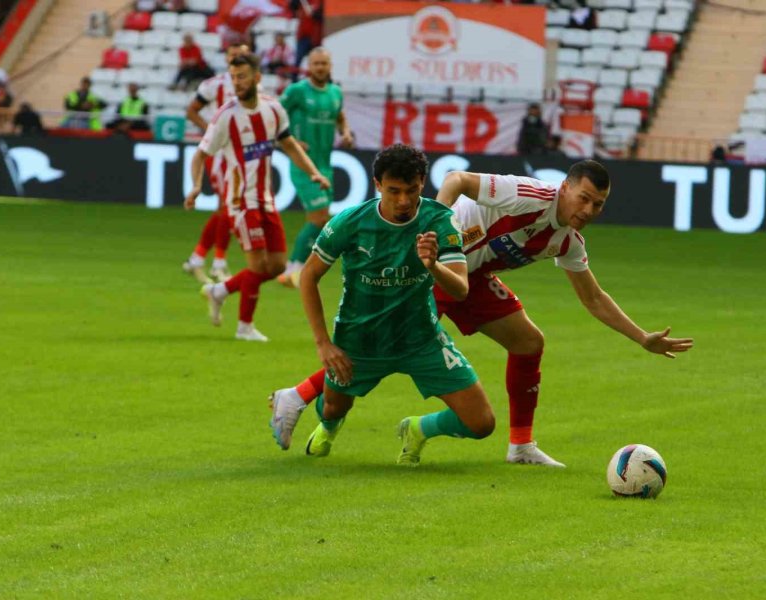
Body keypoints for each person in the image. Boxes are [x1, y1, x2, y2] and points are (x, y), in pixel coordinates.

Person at [270, 161, 694, 466]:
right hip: (435, 270)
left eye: (598, 205)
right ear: (565, 188)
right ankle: (301, 395)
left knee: (529, 342)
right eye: (584, 198)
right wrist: (435, 226)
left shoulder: (567, 242)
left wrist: (642, 338)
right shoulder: (526, 194)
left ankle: (519, 446)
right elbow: (456, 178)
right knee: (386, 341)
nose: (588, 210)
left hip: (468, 281)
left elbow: (594, 298)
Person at [296, 144, 495, 466]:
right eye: (394, 191)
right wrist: (323, 344)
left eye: (412, 191)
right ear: (377, 185)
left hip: (421, 340)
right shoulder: (350, 222)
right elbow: (308, 277)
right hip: (360, 339)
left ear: (423, 183)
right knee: (334, 406)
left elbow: (459, 290)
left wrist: (432, 265)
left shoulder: (440, 221)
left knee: (482, 423)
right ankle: (329, 427)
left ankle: (418, 428)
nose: (404, 201)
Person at [184, 54, 329, 341]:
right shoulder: (226, 116)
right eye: (233, 77)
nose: (237, 83)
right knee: (257, 266)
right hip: (240, 201)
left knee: (276, 266)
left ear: (257, 78)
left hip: (265, 199)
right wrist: (196, 186)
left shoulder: (273, 110)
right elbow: (200, 154)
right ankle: (244, 327)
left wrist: (313, 172)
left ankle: (219, 290)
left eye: (242, 77)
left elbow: (288, 143)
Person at [276, 47, 353, 286]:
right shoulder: (297, 91)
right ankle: (292, 270)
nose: (320, 67)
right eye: (316, 63)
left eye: (324, 64)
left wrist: (345, 132)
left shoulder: (335, 92)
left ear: (330, 67)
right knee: (319, 218)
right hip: (303, 165)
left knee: (320, 219)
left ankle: (297, 271)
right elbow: (274, 116)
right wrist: (290, 142)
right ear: (309, 66)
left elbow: (339, 115)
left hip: (325, 165)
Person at [182, 43, 251, 284]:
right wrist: (212, 132)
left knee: (226, 207)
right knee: (227, 206)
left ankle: (197, 258)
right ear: (227, 59)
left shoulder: (253, 86)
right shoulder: (214, 85)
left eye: (241, 55)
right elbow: (192, 111)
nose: (237, 59)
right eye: (234, 55)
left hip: (243, 153)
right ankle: (218, 262)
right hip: (222, 154)